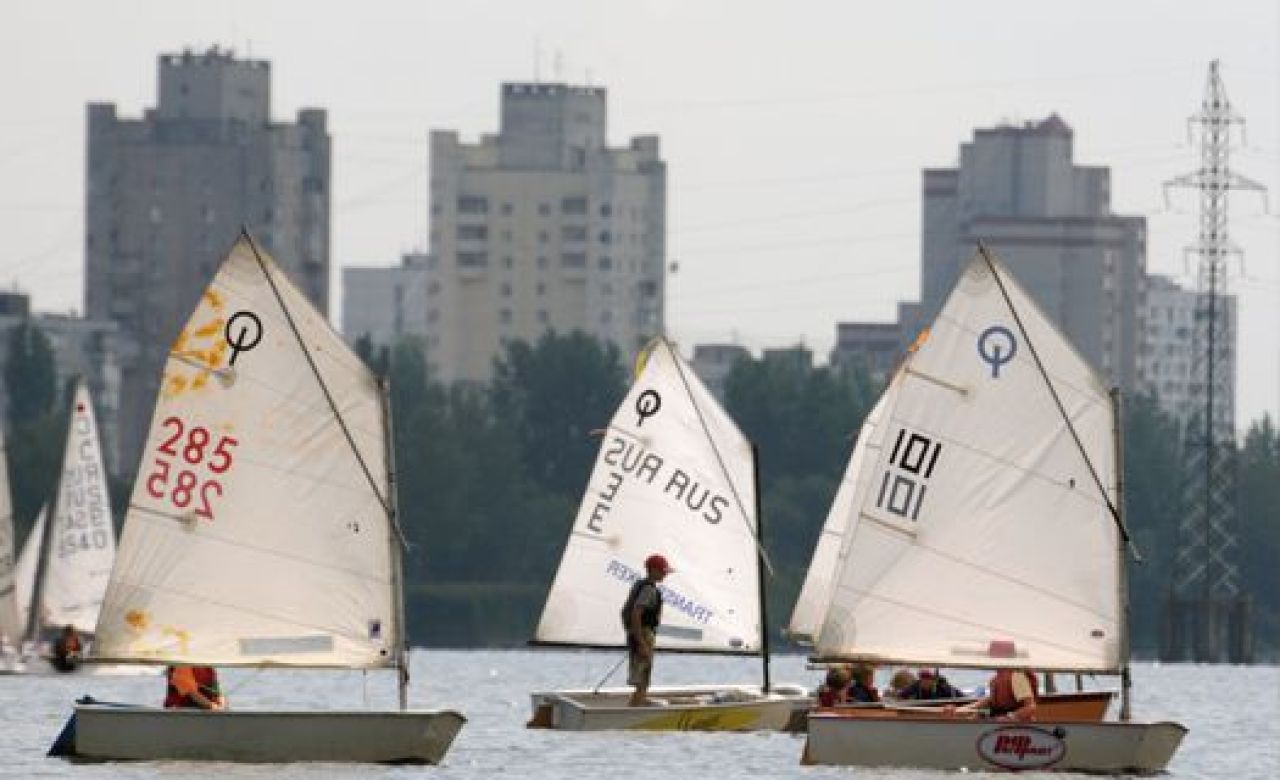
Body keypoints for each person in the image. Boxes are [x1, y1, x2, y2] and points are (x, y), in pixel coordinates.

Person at [621, 553, 671, 707]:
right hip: (643, 635)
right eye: (663, 571)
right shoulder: (649, 589)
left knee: (642, 681)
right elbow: (636, 613)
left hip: (638, 634)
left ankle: (637, 705)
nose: (665, 574)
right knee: (642, 682)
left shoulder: (640, 584)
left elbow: (626, 612)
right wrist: (641, 643)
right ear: (653, 570)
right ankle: (632, 714)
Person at [952, 668, 1037, 721]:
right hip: (998, 727)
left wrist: (1009, 717)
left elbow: (1030, 707)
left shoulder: (1017, 676)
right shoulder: (995, 679)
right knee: (975, 717)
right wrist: (957, 710)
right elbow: (984, 702)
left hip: (1018, 730)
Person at [897, 668, 963, 701]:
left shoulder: (942, 686)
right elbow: (901, 696)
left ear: (933, 679)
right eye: (922, 677)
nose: (925, 680)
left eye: (928, 678)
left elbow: (961, 696)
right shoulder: (916, 685)